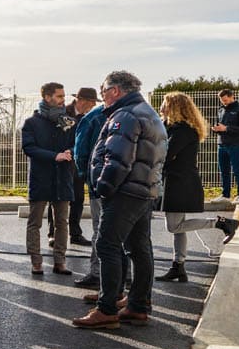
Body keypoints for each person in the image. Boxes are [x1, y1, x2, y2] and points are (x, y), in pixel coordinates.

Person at [75, 71, 166, 328]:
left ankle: (106, 310)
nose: (101, 96)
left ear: (115, 90)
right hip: (144, 190)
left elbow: (118, 158)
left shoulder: (125, 115)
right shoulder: (147, 112)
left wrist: (103, 186)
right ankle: (138, 304)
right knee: (138, 247)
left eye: (103, 90)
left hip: (124, 191)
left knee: (107, 245)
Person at [158, 93, 239, 282]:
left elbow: (165, 154)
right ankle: (178, 266)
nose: (161, 107)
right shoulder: (173, 127)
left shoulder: (182, 131)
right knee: (178, 227)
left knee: (174, 226)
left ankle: (219, 223)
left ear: (175, 107)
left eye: (165, 104)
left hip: (180, 182)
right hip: (177, 181)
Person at [21, 82, 77, 277]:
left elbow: (75, 143)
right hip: (41, 178)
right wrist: (55, 156)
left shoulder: (68, 121)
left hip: (63, 178)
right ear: (47, 97)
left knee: (62, 222)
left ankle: (60, 261)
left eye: (63, 96)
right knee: (35, 222)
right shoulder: (31, 123)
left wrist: (71, 151)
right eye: (60, 96)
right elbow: (29, 148)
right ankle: (36, 262)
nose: (64, 100)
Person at [71, 95, 116, 291]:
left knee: (100, 228)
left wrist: (85, 175)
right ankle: (126, 274)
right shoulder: (138, 113)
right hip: (127, 182)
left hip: (99, 181)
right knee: (125, 230)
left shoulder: (93, 117)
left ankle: (98, 274)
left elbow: (80, 150)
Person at [68, 87, 99, 245]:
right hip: (62, 162)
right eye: (91, 103)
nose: (92, 107)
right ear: (82, 101)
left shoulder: (88, 117)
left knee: (78, 198)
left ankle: (75, 233)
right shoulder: (63, 113)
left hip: (79, 163)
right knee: (58, 200)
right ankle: (53, 234)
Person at [212, 87, 239, 203]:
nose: (224, 102)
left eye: (225, 100)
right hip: (221, 144)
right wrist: (216, 129)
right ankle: (225, 194)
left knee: (237, 170)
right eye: (222, 100)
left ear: (231, 96)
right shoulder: (220, 110)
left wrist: (227, 128)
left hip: (235, 145)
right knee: (224, 170)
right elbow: (220, 125)